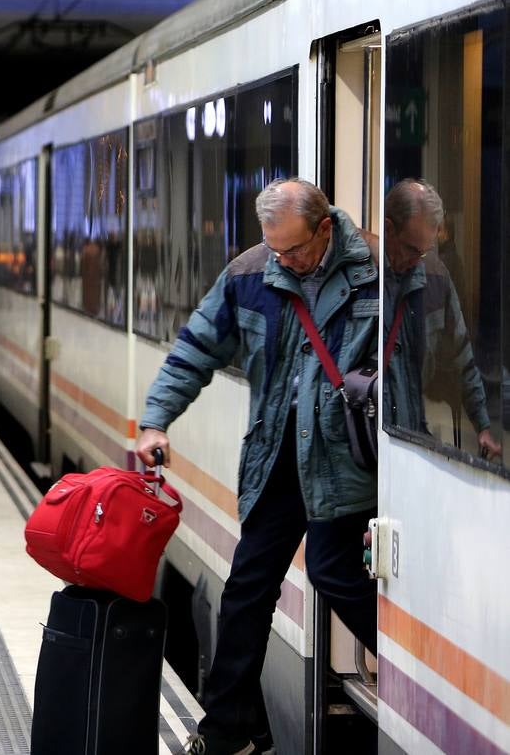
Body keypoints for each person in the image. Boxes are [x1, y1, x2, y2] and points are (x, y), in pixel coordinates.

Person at [136, 178, 380, 755]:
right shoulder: (251, 272)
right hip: (278, 456)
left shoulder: (377, 266)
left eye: (293, 250)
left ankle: (413, 678)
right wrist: (155, 420)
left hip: (347, 461)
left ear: (325, 229)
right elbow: (195, 348)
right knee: (247, 588)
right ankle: (228, 731)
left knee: (333, 570)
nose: (283, 261)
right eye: (274, 249)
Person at [382, 179, 501, 461]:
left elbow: (463, 355)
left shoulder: (435, 274)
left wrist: (483, 425)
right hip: (367, 440)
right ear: (388, 229)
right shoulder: (362, 277)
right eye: (412, 250)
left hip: (412, 432)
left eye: (425, 251)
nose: (418, 261)